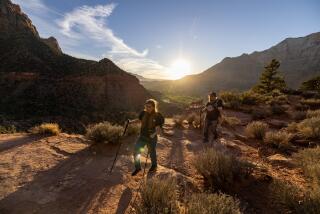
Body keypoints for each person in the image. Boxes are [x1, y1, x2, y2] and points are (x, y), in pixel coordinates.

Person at [129, 99, 165, 176]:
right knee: (136, 151)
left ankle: (154, 166)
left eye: (149, 106)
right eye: (146, 106)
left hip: (152, 138)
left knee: (152, 152)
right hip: (142, 137)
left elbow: (159, 128)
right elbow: (139, 120)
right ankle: (138, 168)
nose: (147, 108)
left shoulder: (158, 115)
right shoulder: (143, 113)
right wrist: (131, 122)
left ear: (153, 107)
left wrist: (154, 134)